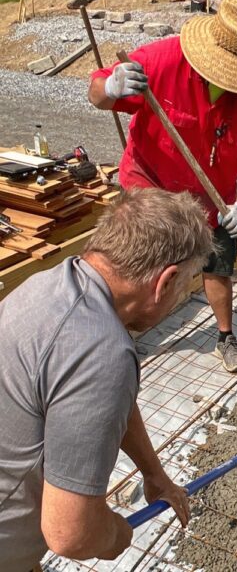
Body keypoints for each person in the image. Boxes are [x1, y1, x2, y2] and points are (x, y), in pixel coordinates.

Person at [0, 189, 214, 571]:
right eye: (185, 284)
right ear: (164, 282)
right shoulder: (103, 352)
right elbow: (71, 535)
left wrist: (154, 473)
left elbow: (102, 396)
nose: (181, 295)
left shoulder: (50, 283)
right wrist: (116, 534)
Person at [88, 0, 237, 371]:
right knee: (138, 267)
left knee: (218, 267)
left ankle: (225, 337)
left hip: (214, 200)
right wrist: (111, 87)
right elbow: (96, 92)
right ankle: (117, 335)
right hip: (152, 188)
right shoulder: (160, 62)